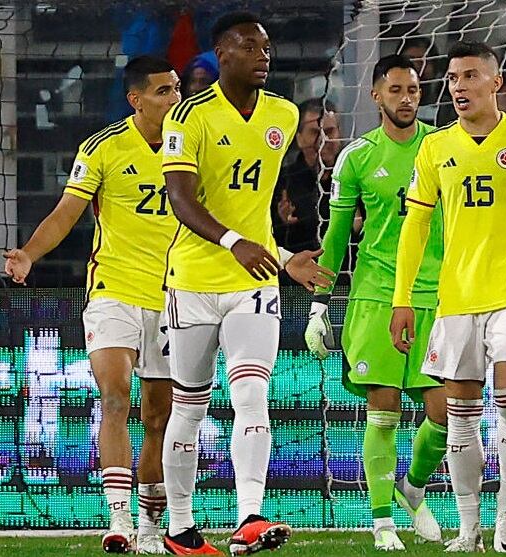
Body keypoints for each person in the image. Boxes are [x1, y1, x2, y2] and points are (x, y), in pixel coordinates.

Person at [159, 11, 333, 555]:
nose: (264, 56)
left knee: (252, 392)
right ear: (222, 55)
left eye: (266, 47)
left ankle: (249, 518)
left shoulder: (281, 113)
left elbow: (256, 207)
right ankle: (182, 529)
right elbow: (181, 201)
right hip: (192, 281)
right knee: (187, 406)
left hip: (254, 283)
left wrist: (281, 256)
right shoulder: (188, 116)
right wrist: (236, 241)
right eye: (250, 47)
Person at [391, 41, 506, 553]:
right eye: (451, 78)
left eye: (469, 76)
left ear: (496, 82)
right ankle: (469, 529)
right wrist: (403, 298)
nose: (459, 87)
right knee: (461, 417)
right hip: (456, 302)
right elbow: (415, 226)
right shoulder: (434, 147)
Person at [4, 55, 181, 554]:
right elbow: (66, 214)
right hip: (113, 291)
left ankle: (152, 524)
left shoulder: (191, 145)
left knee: (158, 417)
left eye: (176, 90)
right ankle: (119, 518)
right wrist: (29, 254)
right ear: (136, 99)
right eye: (164, 91)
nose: (175, 99)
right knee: (115, 397)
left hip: (173, 295)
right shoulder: (103, 147)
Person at [304, 54, 448, 551]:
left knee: (445, 412)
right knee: (383, 409)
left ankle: (412, 485)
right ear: (376, 96)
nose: (406, 98)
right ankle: (382, 518)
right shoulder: (358, 157)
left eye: (412, 89)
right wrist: (321, 302)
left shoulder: (443, 148)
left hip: (436, 294)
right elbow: (338, 234)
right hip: (376, 294)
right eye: (395, 90)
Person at [273, 98, 342, 254]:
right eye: (315, 133)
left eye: (330, 131)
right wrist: (283, 223)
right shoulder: (281, 182)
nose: (324, 140)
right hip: (298, 273)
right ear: (299, 138)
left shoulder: (355, 178)